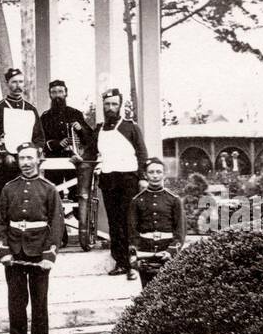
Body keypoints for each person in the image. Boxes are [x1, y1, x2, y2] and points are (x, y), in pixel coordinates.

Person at [0, 143, 64, 334]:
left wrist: (49, 255)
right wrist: (4, 250)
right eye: (22, 158)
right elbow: (0, 222)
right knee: (15, 297)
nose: (25, 163)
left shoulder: (49, 189)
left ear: (38, 159)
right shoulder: (9, 188)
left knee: (39, 297)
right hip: (15, 248)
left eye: (29, 158)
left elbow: (57, 224)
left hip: (39, 249)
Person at [93, 88, 147, 280]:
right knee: (114, 223)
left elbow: (142, 153)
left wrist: (142, 177)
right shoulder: (99, 129)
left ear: (120, 105)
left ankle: (135, 263)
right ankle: (121, 263)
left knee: (129, 221)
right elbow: (90, 152)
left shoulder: (131, 127)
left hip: (128, 179)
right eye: (107, 104)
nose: (110, 108)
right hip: (109, 180)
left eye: (114, 104)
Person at [38, 79, 95, 249]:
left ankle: (83, 235)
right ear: (50, 94)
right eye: (54, 92)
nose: (57, 95)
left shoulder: (75, 113)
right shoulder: (45, 117)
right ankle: (59, 237)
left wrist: (80, 129)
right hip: (52, 163)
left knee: (78, 198)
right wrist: (56, 144)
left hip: (73, 164)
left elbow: (89, 139)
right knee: (53, 200)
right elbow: (41, 140)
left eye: (60, 92)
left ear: (66, 93)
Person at [0, 68, 45, 199]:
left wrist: (35, 154)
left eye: (20, 82)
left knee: (27, 197)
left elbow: (39, 137)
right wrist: (4, 154)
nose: (18, 85)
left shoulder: (31, 109)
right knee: (5, 197)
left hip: (27, 162)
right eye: (14, 82)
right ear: (7, 83)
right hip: (7, 162)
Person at [127, 158, 185, 289]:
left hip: (167, 251)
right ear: (145, 175)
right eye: (151, 172)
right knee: (147, 291)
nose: (155, 175)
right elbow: (132, 231)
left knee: (169, 292)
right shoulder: (137, 200)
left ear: (164, 174)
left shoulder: (174, 200)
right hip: (145, 251)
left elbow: (180, 230)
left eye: (158, 172)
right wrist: (135, 253)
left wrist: (171, 251)